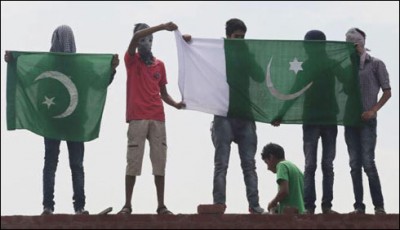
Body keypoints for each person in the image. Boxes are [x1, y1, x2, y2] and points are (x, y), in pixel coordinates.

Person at [4, 25, 119, 215]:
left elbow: (99, 82)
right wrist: (13, 61)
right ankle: (49, 206)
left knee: (72, 164)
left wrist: (112, 69)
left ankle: (77, 207)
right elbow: (31, 79)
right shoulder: (47, 64)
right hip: (56, 123)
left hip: (72, 122)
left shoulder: (83, 65)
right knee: (56, 164)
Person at [183, 18, 264, 214]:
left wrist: (249, 56)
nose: (240, 40)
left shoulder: (246, 55)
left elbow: (260, 76)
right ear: (228, 36)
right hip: (223, 113)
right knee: (221, 163)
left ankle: (254, 206)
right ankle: (219, 203)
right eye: (237, 37)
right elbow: (200, 56)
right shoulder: (218, 52)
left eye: (243, 37)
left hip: (244, 114)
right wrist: (189, 43)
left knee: (249, 165)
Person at [118, 22, 185, 215]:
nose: (146, 43)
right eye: (143, 39)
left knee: (159, 162)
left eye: (150, 40)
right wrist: (162, 26)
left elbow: (163, 93)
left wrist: (176, 104)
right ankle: (127, 204)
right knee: (133, 161)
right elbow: (135, 37)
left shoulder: (159, 65)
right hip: (137, 117)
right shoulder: (132, 60)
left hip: (157, 117)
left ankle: (161, 205)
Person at [271, 30, 340, 214]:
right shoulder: (307, 67)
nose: (307, 48)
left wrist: (354, 56)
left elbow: (348, 82)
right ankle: (310, 207)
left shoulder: (332, 64)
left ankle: (326, 206)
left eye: (309, 44)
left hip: (329, 119)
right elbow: (294, 91)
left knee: (326, 164)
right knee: (311, 165)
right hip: (311, 120)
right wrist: (281, 114)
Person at [344, 27, 391, 215]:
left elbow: (387, 92)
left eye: (354, 42)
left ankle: (379, 206)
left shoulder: (376, 64)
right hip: (350, 119)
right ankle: (359, 206)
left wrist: (373, 110)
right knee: (354, 164)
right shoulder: (347, 66)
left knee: (368, 163)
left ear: (362, 43)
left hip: (367, 121)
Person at [261, 143, 305, 214]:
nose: (268, 168)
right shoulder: (295, 168)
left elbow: (284, 191)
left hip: (290, 215)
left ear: (271, 157)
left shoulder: (281, 166)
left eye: (266, 162)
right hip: (301, 213)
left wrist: (272, 203)